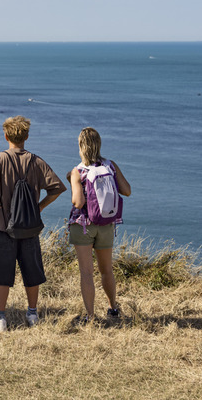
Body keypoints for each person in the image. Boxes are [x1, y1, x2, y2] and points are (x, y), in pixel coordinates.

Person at [0, 116, 66, 332]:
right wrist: (40, 206)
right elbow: (57, 188)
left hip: (3, 226)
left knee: (1, 273)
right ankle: (32, 313)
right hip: (30, 226)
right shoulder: (36, 161)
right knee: (31, 270)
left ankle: (0, 318)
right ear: (27, 136)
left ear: (5, 136)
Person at [67, 127, 131, 322]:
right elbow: (127, 191)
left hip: (84, 225)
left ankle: (90, 316)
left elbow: (78, 202)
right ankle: (113, 309)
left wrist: (72, 181)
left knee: (86, 273)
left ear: (81, 146)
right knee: (107, 270)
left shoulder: (78, 171)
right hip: (107, 224)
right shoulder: (111, 166)